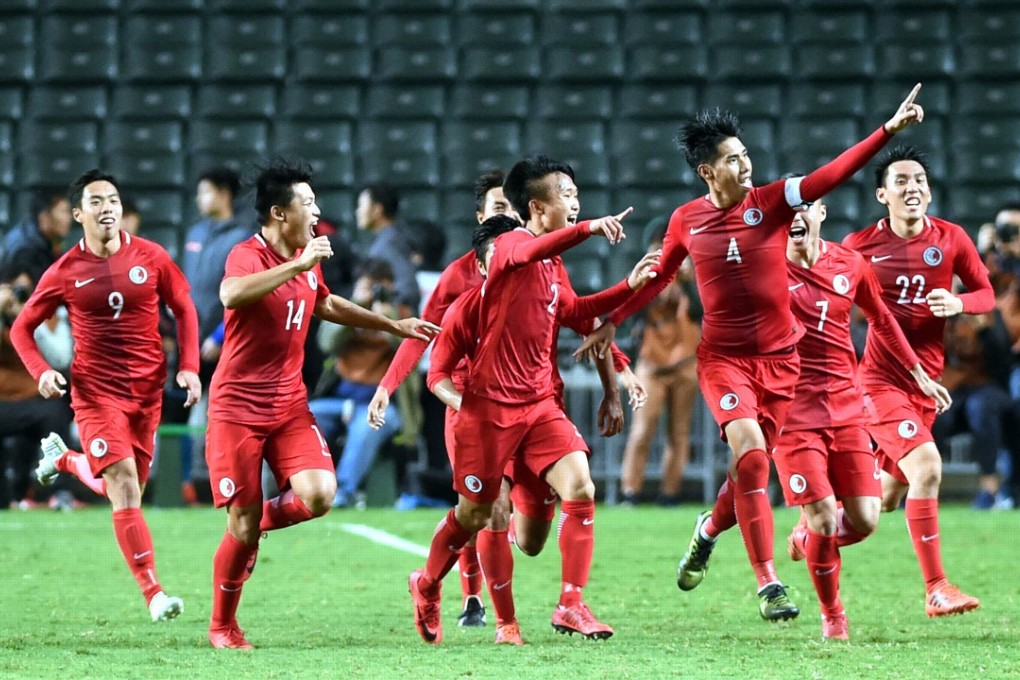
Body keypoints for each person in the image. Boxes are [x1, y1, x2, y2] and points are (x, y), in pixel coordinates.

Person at [576, 84, 925, 620]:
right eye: (734, 160)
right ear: (707, 172)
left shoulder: (772, 202)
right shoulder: (686, 221)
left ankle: (708, 528)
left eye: (747, 156)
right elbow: (657, 280)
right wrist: (613, 321)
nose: (746, 166)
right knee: (754, 456)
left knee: (747, 471)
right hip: (724, 361)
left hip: (782, 364)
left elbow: (827, 176)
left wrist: (887, 132)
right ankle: (768, 584)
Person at [203, 158, 438, 649]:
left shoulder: (307, 261)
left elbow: (325, 303)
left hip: (288, 403)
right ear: (278, 213)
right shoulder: (249, 254)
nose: (317, 210)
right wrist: (298, 263)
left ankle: (251, 524)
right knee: (241, 525)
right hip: (236, 408)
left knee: (318, 495)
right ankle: (223, 625)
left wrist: (392, 326)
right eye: (307, 202)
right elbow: (230, 295)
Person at [406, 155, 642, 646]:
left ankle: (571, 605)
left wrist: (629, 287)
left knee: (577, 489)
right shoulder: (512, 241)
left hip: (537, 406)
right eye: (567, 196)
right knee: (479, 514)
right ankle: (436, 589)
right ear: (535, 206)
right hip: (488, 414)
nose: (576, 204)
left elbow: (577, 312)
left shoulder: (553, 267)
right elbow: (438, 373)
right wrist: (590, 229)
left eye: (578, 197)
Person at [10, 169, 201, 622]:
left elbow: (185, 308)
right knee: (124, 484)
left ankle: (67, 461)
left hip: (147, 392)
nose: (107, 208)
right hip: (96, 393)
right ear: (78, 214)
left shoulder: (152, 257)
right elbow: (22, 328)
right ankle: (153, 593)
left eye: (112, 199)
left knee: (127, 486)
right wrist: (40, 371)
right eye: (95, 202)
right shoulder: (64, 271)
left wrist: (190, 368)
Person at [776, 186, 950, 641]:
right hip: (793, 414)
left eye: (804, 207)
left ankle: (804, 541)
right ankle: (833, 614)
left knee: (868, 518)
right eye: (787, 210)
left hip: (847, 408)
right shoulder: (764, 270)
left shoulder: (850, 264)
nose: (795, 215)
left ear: (821, 213)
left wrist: (918, 373)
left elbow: (882, 319)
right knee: (823, 518)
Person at [842, 144, 994, 617]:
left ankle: (814, 531)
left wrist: (959, 303)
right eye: (902, 181)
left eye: (920, 181)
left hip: (927, 382)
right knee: (927, 467)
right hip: (879, 380)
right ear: (882, 194)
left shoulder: (950, 238)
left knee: (885, 499)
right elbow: (831, 309)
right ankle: (936, 588)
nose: (913, 188)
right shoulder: (859, 246)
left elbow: (987, 293)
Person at [310, 258, 411, 508]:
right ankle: (307, 489)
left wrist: (390, 320)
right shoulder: (342, 310)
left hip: (384, 405)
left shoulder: (403, 316)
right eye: (370, 287)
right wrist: (357, 309)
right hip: (338, 400)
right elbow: (327, 343)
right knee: (304, 416)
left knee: (365, 426)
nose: (375, 293)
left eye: (381, 288)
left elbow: (410, 355)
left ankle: (343, 493)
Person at [619, 218, 701, 506]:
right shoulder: (643, 275)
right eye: (659, 245)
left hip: (685, 362)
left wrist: (689, 285)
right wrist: (649, 282)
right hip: (651, 363)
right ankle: (630, 491)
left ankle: (670, 492)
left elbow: (702, 313)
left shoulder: (691, 275)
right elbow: (629, 313)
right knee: (642, 430)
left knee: (678, 432)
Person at [181, 167, 252, 503]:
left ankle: (224, 485)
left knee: (220, 416)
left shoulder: (241, 238)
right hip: (190, 344)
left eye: (205, 191)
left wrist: (220, 335)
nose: (199, 198)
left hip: (224, 345)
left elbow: (245, 295)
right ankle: (192, 484)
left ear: (224, 194)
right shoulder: (194, 233)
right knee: (186, 413)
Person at [0, 267, 74, 509]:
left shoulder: (50, 314)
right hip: (3, 400)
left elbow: (61, 359)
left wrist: (29, 321)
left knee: (57, 412)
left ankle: (60, 493)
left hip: (36, 400)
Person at [356, 181, 420, 310]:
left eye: (361, 205)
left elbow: (407, 289)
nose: (357, 211)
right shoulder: (393, 236)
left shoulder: (388, 244)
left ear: (377, 210)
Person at [0, 188, 72, 285]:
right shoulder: (27, 253)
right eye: (64, 212)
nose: (69, 218)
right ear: (44, 218)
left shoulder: (50, 246)